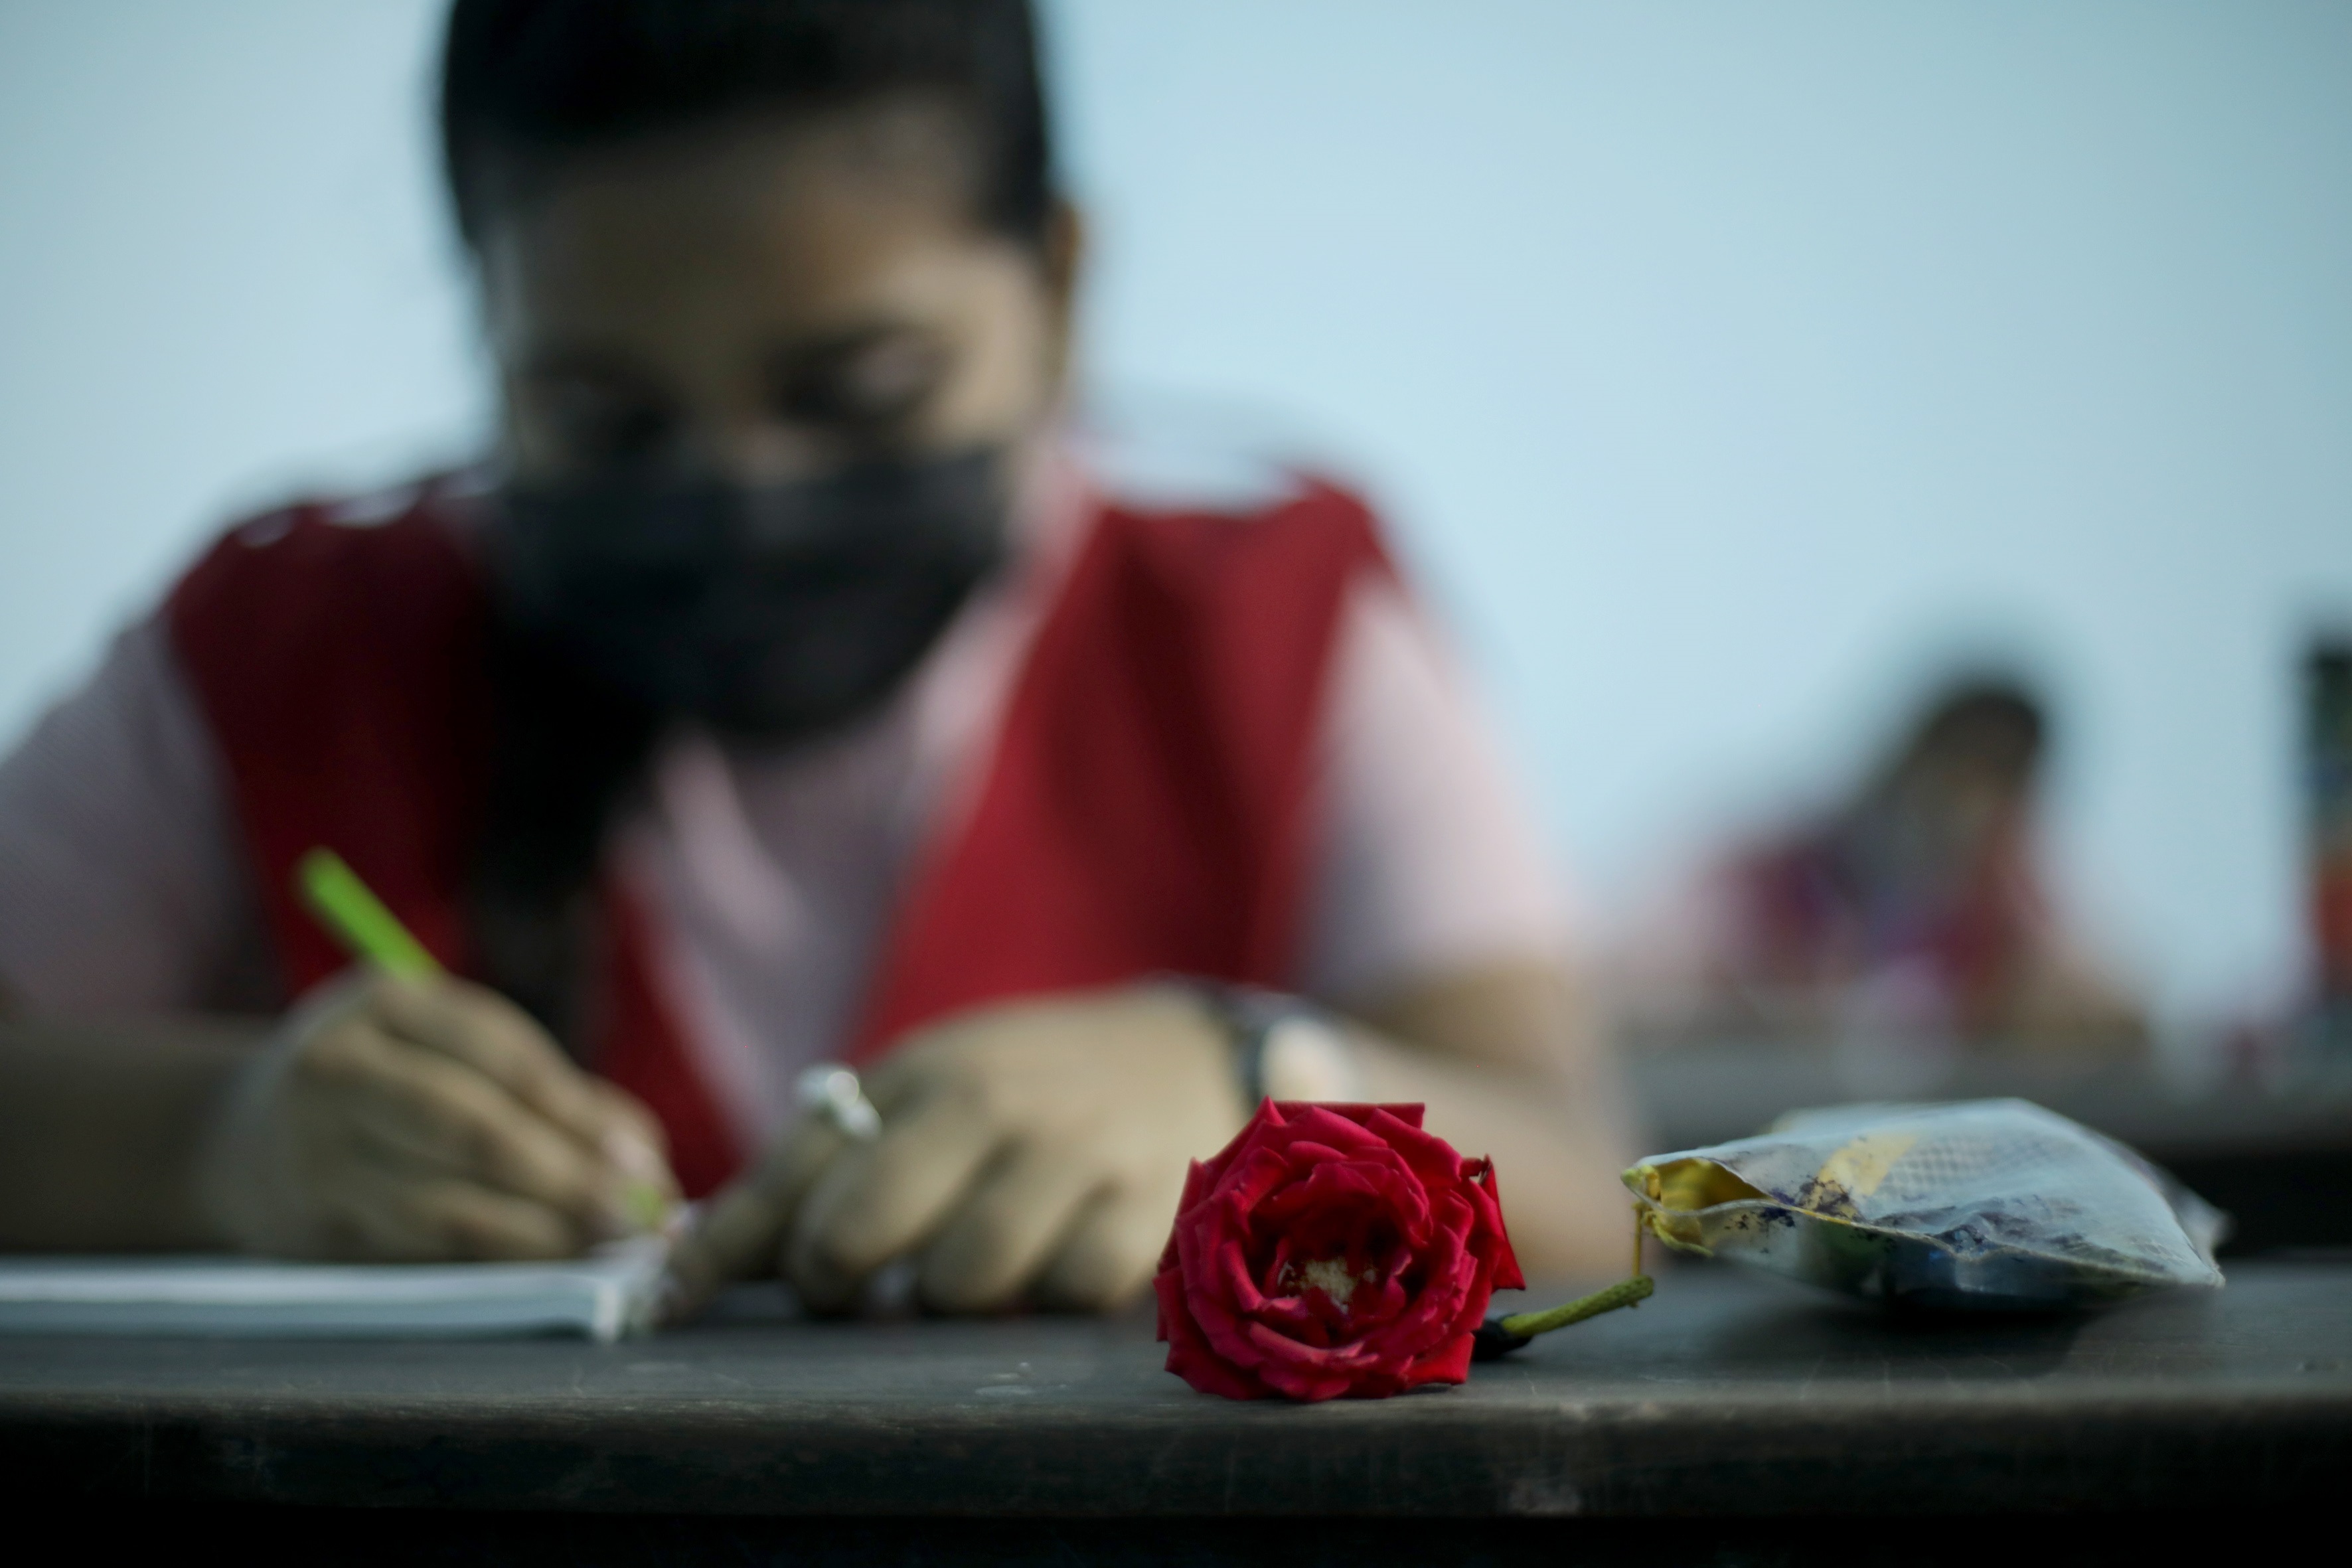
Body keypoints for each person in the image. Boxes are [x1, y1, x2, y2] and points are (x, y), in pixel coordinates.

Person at [0, 0, 1632, 1312]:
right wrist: (213, 1141)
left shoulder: (1281, 619)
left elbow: (1587, 1188)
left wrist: (1259, 1082)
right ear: (485, 333)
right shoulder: (276, 647)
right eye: (604, 417)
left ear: (1059, 284)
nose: (742, 499)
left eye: (860, 395)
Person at [1608, 678, 2146, 1052]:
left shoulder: (2014, 902)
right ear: (1907, 756)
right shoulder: (1759, 868)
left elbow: (2120, 1017)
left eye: (1996, 782)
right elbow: (1623, 994)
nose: (1966, 805)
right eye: (1955, 770)